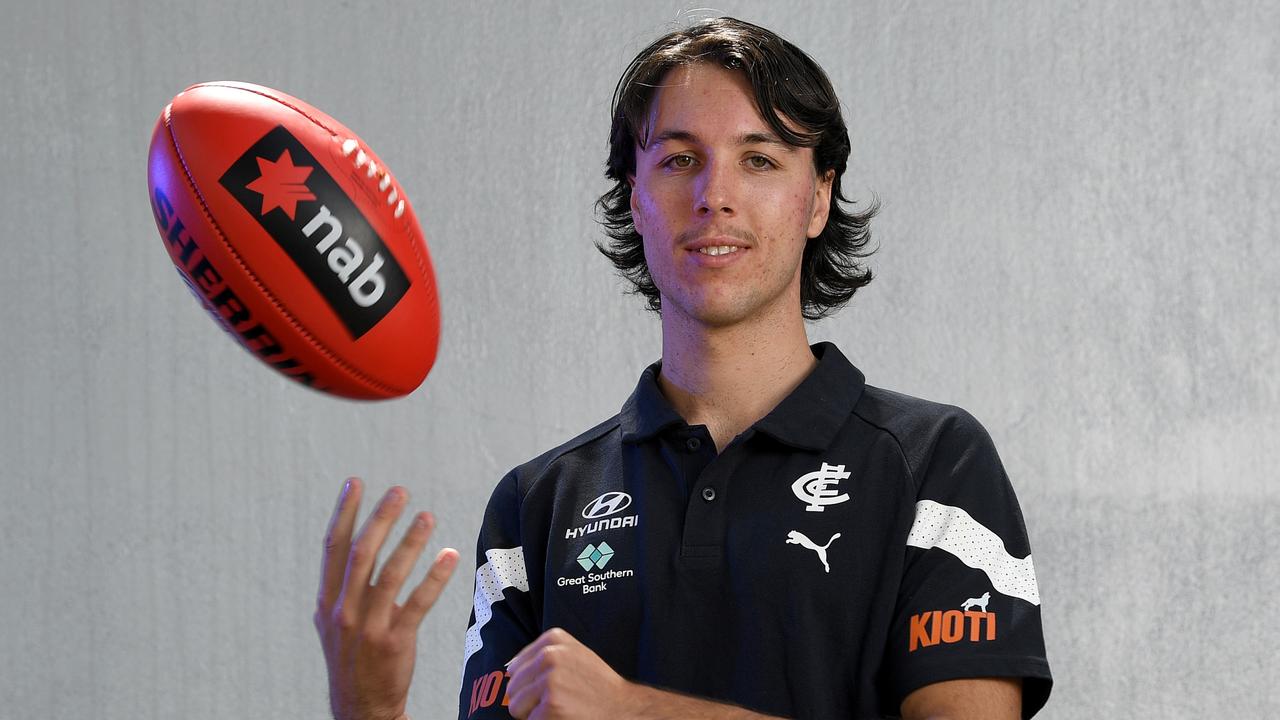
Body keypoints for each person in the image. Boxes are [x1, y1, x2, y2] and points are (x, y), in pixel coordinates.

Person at [314, 16, 1052, 720]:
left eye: (759, 159)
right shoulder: (535, 505)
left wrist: (634, 710)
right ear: (634, 199)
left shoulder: (936, 465)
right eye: (678, 160)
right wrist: (373, 709)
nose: (715, 196)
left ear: (819, 197)